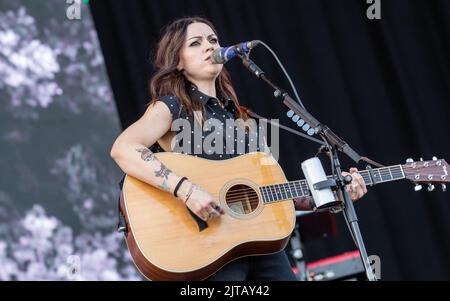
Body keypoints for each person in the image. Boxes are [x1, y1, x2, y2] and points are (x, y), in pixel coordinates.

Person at [110, 16, 367, 281]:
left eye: (213, 40)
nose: (209, 47)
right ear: (178, 61)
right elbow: (124, 148)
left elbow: (275, 194)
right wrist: (186, 190)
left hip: (260, 245)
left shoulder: (241, 118)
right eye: (196, 43)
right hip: (208, 248)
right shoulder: (171, 106)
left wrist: (334, 193)